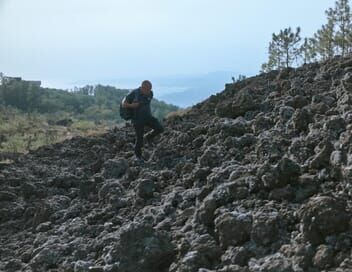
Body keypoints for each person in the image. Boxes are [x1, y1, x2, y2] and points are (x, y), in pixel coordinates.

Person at [122, 80, 164, 162]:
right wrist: (132, 105)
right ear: (142, 88)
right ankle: (138, 157)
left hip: (148, 117)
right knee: (139, 139)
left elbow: (146, 100)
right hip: (137, 120)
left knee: (160, 128)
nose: (149, 91)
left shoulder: (150, 93)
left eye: (150, 89)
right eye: (147, 89)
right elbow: (123, 104)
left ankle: (148, 137)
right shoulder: (134, 93)